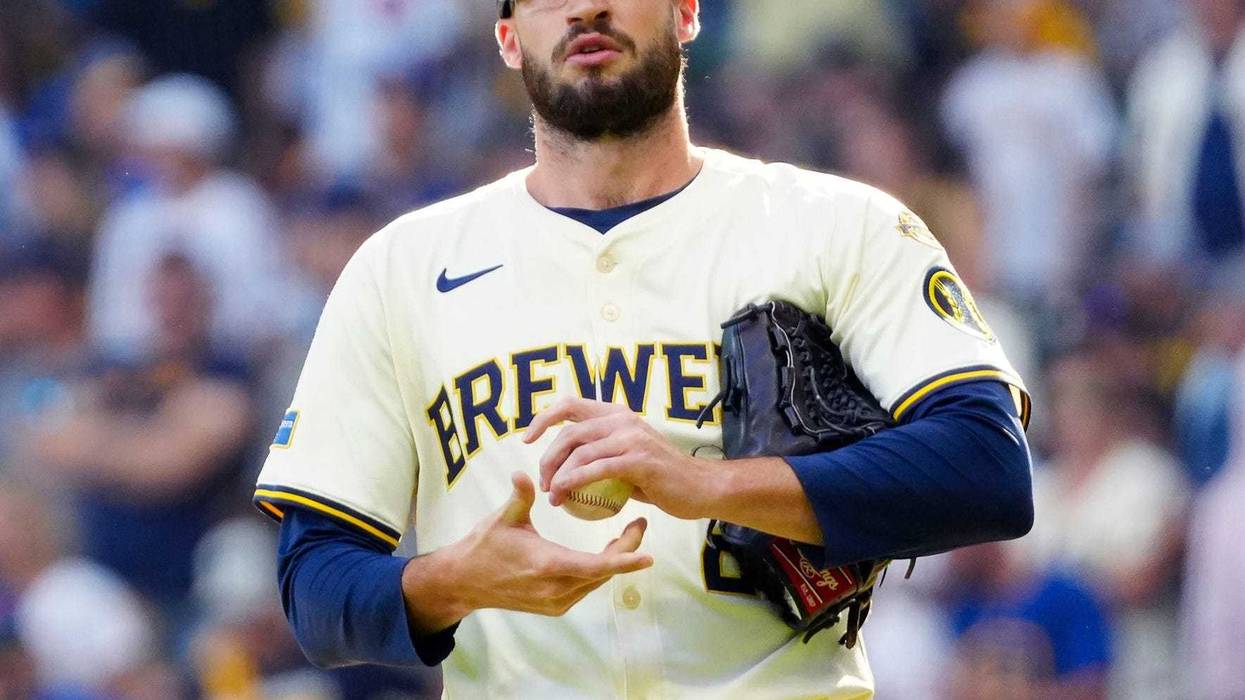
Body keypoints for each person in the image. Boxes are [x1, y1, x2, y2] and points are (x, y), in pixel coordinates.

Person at [254, 2, 1034, 696]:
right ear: (507, 38)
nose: (587, 10)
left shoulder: (837, 226)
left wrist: (708, 486)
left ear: (686, 13)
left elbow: (987, 469)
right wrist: (451, 581)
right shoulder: (403, 268)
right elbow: (315, 588)